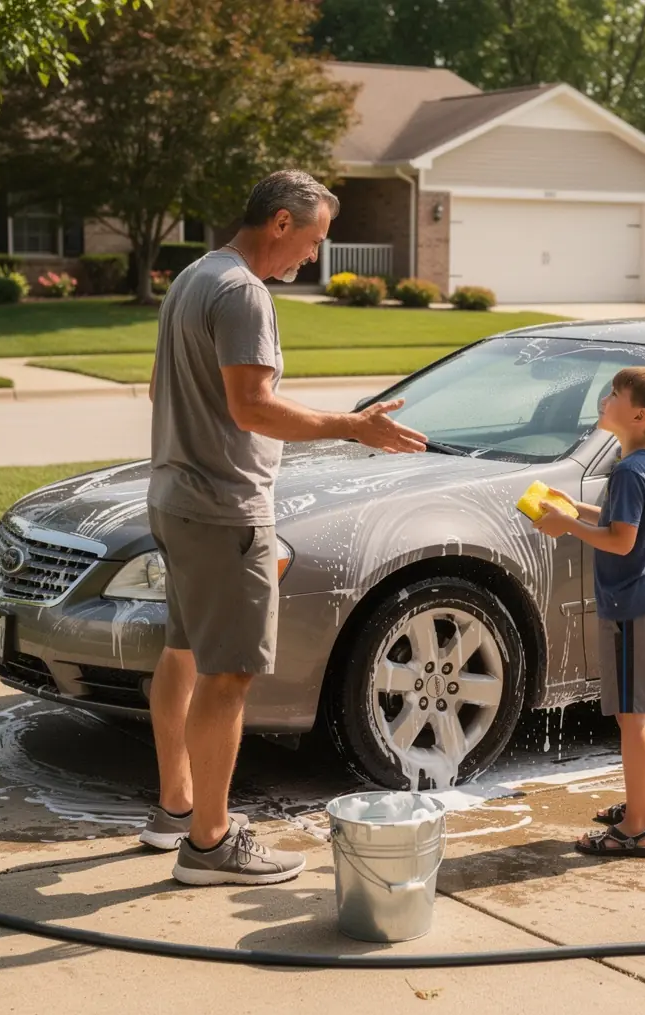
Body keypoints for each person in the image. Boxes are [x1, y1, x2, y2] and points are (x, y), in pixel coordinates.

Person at [140, 170, 428, 885]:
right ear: (278, 222)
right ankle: (210, 844)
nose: (312, 256)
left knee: (181, 652)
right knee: (228, 674)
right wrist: (350, 426)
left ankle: (177, 808)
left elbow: (165, 389)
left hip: (175, 496)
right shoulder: (243, 292)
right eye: (312, 239)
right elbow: (252, 408)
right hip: (224, 509)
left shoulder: (194, 276)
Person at [531, 366, 645, 858]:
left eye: (615, 394)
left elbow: (622, 541)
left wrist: (565, 527)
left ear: (638, 415)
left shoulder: (625, 470)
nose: (605, 399)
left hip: (630, 606)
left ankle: (635, 829)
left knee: (630, 716)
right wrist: (576, 509)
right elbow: (625, 522)